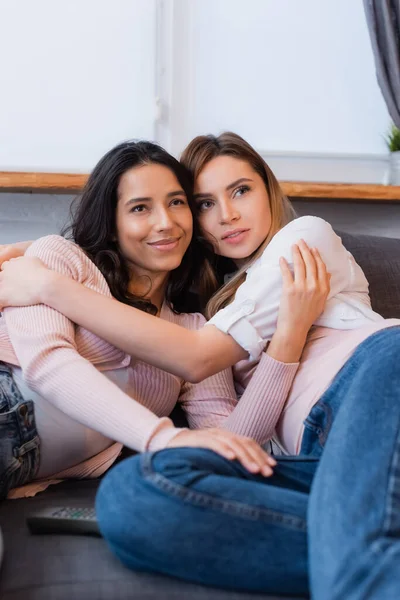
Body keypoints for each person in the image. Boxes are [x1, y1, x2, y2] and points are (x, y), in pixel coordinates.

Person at [2, 132, 399, 598]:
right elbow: (231, 444)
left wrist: (288, 338)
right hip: (322, 457)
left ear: (267, 188)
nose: (222, 215)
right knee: (137, 494)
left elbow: (198, 363)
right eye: (205, 203)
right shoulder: (73, 265)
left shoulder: (299, 243)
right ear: (110, 220)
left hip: (374, 377)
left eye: (240, 191)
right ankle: (361, 543)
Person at [0, 139, 331, 500]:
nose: (166, 222)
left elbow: (234, 443)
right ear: (111, 224)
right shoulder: (59, 260)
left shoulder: (194, 333)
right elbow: (47, 365)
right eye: (140, 208)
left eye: (177, 202)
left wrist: (288, 338)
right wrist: (164, 438)